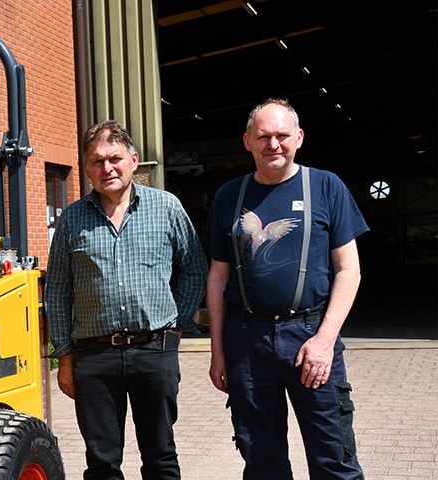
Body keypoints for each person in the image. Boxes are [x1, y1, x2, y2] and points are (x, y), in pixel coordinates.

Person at [206, 98, 368, 479]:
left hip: (310, 335)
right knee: (262, 460)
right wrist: (218, 350)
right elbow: (218, 277)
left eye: (282, 135)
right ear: (247, 141)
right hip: (247, 340)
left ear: (299, 137)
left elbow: (349, 270)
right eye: (263, 136)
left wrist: (324, 341)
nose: (273, 144)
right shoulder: (229, 196)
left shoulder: (326, 187)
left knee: (334, 457)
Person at [46, 120, 207, 480]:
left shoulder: (166, 207)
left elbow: (195, 269)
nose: (107, 168)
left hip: (154, 350)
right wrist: (65, 357)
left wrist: (177, 326)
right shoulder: (72, 219)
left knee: (160, 456)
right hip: (95, 356)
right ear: (86, 167)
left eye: (115, 158)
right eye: (97, 161)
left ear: (133, 160)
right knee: (102, 463)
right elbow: (57, 290)